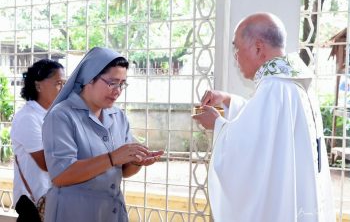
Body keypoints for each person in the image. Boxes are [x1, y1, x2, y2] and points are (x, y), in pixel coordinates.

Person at [192, 13, 335, 222]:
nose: (236, 57)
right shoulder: (291, 83)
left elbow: (250, 150)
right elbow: (267, 126)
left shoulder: (274, 87)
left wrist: (217, 124)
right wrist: (228, 99)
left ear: (258, 48)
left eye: (237, 49)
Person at [42, 47, 164, 222]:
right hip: (74, 213)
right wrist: (112, 157)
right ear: (89, 79)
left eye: (122, 84)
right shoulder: (61, 115)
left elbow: (122, 171)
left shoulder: (118, 116)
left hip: (110, 213)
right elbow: (61, 175)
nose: (118, 90)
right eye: (112, 82)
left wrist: (136, 162)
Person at [11, 59, 65, 221]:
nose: (63, 88)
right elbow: (47, 163)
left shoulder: (55, 115)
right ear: (38, 85)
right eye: (58, 83)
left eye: (64, 83)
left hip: (55, 198)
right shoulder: (28, 118)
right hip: (34, 203)